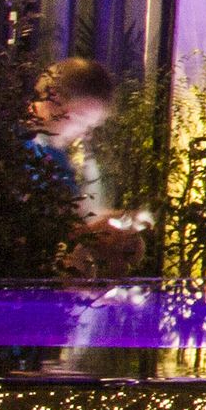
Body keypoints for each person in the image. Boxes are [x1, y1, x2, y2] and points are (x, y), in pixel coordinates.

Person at [33, 57, 144, 280]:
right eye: (81, 118)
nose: (84, 132)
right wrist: (92, 231)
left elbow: (71, 219)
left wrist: (110, 223)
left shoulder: (56, 155)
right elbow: (30, 231)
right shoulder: (14, 148)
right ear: (53, 97)